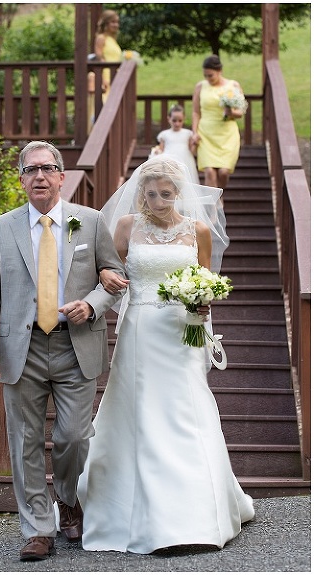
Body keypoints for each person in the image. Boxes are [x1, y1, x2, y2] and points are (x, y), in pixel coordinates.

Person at [76, 155, 255, 554]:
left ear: (178, 193)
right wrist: (104, 276)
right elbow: (111, 273)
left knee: (186, 409)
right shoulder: (127, 226)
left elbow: (206, 279)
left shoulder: (198, 230)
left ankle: (199, 509)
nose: (158, 201)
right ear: (141, 193)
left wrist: (202, 303)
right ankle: (139, 510)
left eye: (166, 194)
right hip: (140, 329)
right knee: (141, 410)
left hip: (181, 331)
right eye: (152, 194)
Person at [0, 140, 125, 561]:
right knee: (24, 441)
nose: (39, 176)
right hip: (19, 348)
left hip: (75, 344)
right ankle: (38, 529)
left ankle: (68, 499)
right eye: (30, 170)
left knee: (73, 436)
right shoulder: (1, 228)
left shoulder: (90, 222)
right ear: (21, 180)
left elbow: (114, 275)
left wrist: (91, 304)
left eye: (47, 168)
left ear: (61, 177)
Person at [191, 54, 246, 192]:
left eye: (210, 75)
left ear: (219, 71)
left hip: (226, 135)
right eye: (205, 75)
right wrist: (194, 132)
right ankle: (214, 203)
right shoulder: (200, 87)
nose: (208, 78)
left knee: (223, 172)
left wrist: (230, 112)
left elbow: (240, 112)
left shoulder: (233, 85)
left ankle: (219, 196)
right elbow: (196, 112)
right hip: (206, 134)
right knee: (209, 171)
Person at [150, 104, 200, 185]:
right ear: (169, 119)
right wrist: (157, 151)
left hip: (185, 160)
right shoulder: (164, 134)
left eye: (180, 121)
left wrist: (195, 143)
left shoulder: (188, 134)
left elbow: (192, 151)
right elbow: (161, 149)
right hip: (170, 160)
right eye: (174, 120)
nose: (177, 124)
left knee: (186, 180)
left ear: (184, 118)